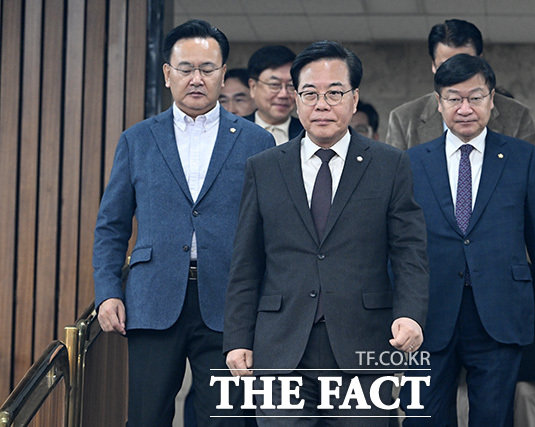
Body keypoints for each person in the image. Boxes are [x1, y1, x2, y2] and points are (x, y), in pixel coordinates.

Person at [223, 40, 430, 426]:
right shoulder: (264, 168)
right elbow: (246, 262)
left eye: (334, 93)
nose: (322, 104)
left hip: (363, 346)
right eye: (310, 94)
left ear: (354, 99)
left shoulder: (389, 165)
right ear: (296, 99)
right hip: (281, 346)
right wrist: (237, 338)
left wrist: (411, 316)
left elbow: (409, 252)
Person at [92, 19, 274, 426]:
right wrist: (107, 292)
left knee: (225, 419)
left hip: (229, 303)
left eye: (207, 69)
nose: (196, 79)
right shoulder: (138, 139)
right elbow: (111, 226)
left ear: (223, 74)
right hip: (152, 299)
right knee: (146, 416)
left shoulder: (255, 141)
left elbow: (269, 231)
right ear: (167, 73)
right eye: (186, 68)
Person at [401, 54, 535, 427]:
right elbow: (398, 244)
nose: (465, 108)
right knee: (423, 418)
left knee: (493, 418)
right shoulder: (411, 162)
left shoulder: (522, 157)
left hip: (499, 311)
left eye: (475, 97)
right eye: (453, 98)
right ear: (439, 102)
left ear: (491, 100)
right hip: (429, 314)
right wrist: (398, 310)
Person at [386, 19, 535, 150]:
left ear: (481, 61)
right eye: (445, 66)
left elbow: (528, 171)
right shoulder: (404, 119)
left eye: (466, 65)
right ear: (433, 65)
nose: (456, 75)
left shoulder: (517, 115)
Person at [244, 45, 304, 144]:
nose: (283, 94)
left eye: (291, 85)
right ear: (253, 87)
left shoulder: (307, 133)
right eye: (274, 85)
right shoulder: (236, 131)